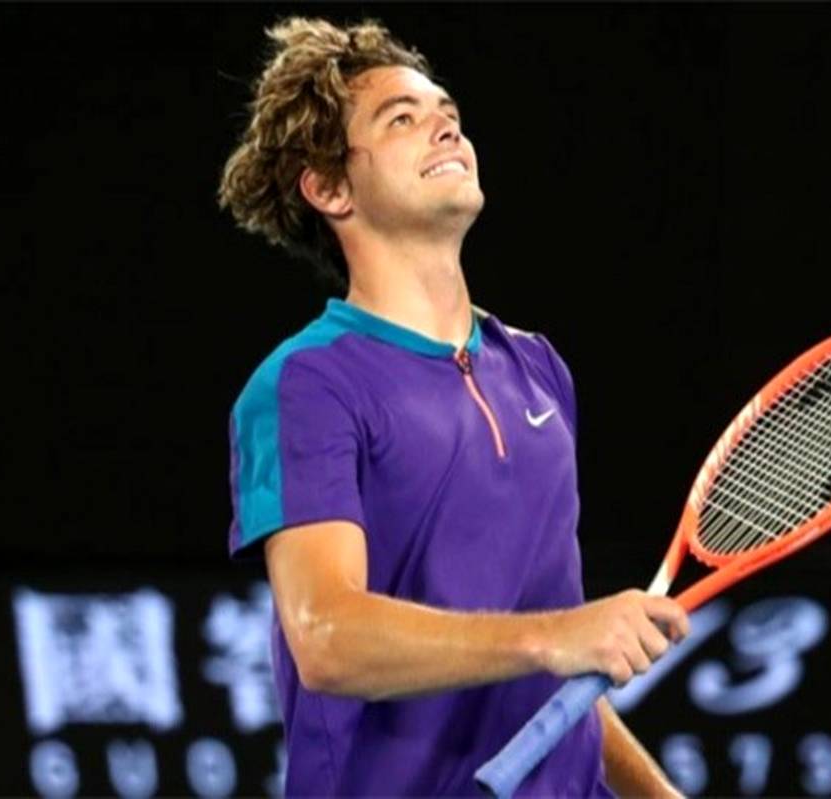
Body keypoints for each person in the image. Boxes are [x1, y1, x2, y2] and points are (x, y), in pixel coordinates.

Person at [218, 16, 690, 797]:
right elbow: (327, 638)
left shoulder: (537, 370)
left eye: (448, 114)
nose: (445, 127)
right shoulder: (307, 384)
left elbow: (559, 675)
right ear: (330, 188)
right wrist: (559, 636)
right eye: (401, 119)